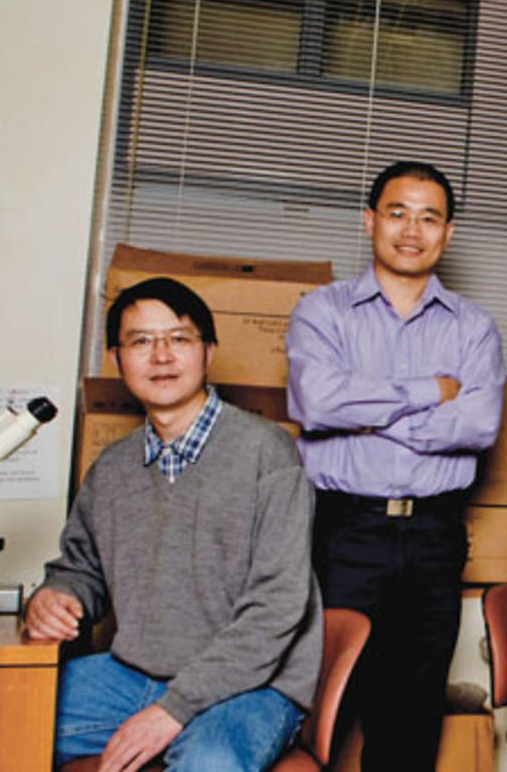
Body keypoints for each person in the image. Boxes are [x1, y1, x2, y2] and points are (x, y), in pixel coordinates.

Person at [28, 277, 322, 772]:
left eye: (178, 339)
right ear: (117, 359)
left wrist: (173, 711)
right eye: (141, 341)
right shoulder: (111, 470)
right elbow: (81, 569)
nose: (161, 356)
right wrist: (57, 594)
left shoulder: (267, 453)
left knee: (209, 761)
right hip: (130, 676)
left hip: (250, 685)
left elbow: (275, 609)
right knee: (7, 711)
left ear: (208, 351)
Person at [286, 160, 505, 772]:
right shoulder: (322, 312)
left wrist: (369, 408)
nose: (412, 230)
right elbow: (317, 401)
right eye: (397, 213)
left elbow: (479, 425)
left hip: (434, 537)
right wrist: (431, 391)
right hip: (343, 532)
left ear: (448, 232)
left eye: (429, 217)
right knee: (318, 709)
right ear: (370, 221)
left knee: (409, 720)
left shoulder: (473, 328)